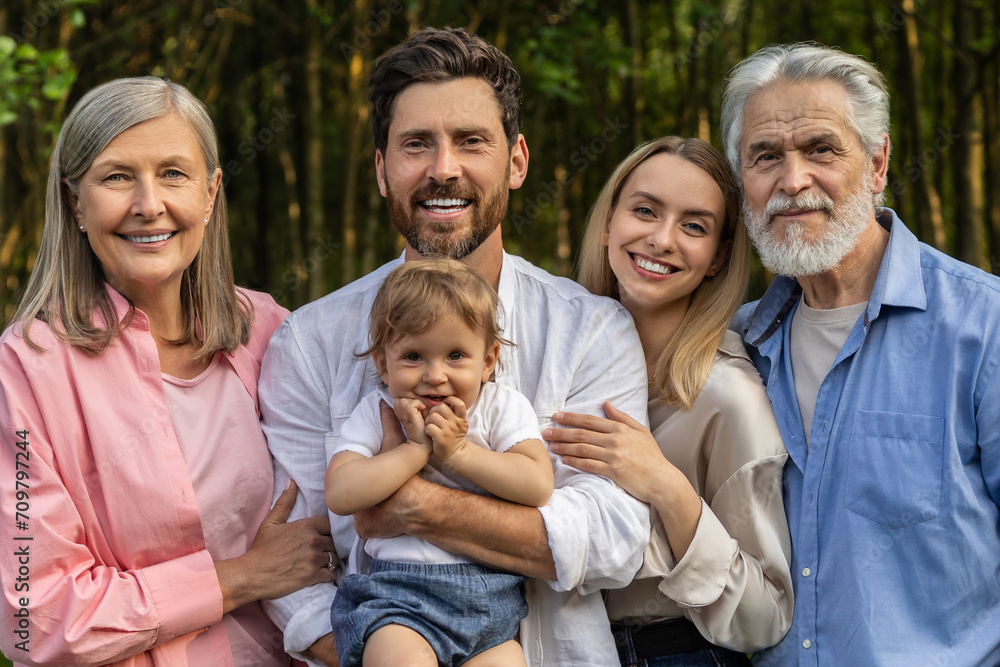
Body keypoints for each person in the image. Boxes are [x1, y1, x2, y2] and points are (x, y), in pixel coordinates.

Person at [259, 27, 650, 666]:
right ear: (382, 170)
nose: (444, 168)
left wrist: (417, 506)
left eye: (471, 141)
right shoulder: (310, 342)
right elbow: (294, 556)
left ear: (517, 162)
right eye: (417, 145)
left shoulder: (592, 331)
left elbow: (612, 535)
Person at [0, 77, 336, 666]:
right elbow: (32, 615)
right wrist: (237, 578)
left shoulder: (273, 332)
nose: (148, 204)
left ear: (210, 194)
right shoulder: (25, 370)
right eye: (117, 176)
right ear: (75, 202)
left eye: (173, 174)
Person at [721, 43, 1000, 665]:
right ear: (743, 183)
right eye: (766, 157)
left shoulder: (985, 329)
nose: (792, 181)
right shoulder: (735, 347)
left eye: (821, 149)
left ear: (877, 163)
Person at [545, 136, 793, 666]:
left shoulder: (729, 398)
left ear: (717, 257)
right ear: (610, 222)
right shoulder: (551, 362)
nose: (661, 239)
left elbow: (764, 614)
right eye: (645, 211)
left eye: (694, 226)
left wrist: (667, 488)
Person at [326, 258, 552, 666]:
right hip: (398, 600)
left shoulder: (501, 408)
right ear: (382, 363)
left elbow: (537, 484)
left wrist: (460, 453)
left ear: (487, 361)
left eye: (455, 355)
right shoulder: (377, 412)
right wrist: (412, 451)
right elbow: (341, 493)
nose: (435, 374)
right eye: (413, 356)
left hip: (491, 604)